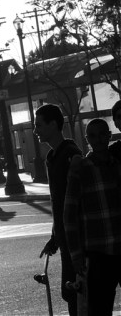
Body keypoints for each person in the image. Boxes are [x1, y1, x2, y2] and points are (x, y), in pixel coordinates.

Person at [62, 118, 121, 315]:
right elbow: (69, 215)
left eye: (103, 134)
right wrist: (76, 255)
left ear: (109, 136)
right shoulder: (81, 169)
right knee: (100, 309)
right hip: (98, 253)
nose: (98, 139)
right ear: (87, 139)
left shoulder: (117, 165)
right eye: (93, 136)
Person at [35, 103, 83, 316]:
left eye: (39, 125)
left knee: (76, 293)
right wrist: (55, 237)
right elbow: (59, 203)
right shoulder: (52, 157)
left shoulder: (70, 154)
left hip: (77, 239)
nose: (35, 130)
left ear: (53, 124)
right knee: (71, 293)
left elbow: (73, 201)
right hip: (65, 238)